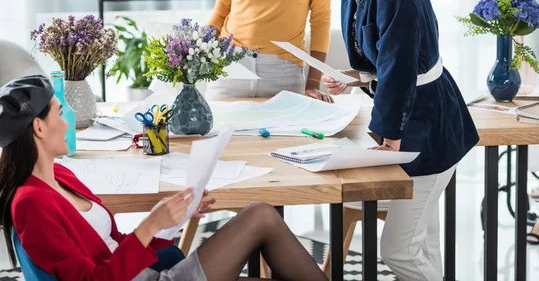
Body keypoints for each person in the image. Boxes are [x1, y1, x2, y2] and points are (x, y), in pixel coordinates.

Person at [0, 75, 327, 281]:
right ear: (39, 127)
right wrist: (150, 226)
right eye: (60, 111)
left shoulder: (60, 174)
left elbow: (112, 244)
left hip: (146, 272)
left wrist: (174, 218)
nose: (68, 118)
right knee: (262, 216)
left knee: (261, 218)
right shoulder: (31, 204)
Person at [316, 0, 480, 280]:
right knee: (423, 242)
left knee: (398, 250)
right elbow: (384, 62)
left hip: (428, 125)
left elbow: (402, 70)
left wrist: (391, 141)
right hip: (413, 114)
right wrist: (354, 76)